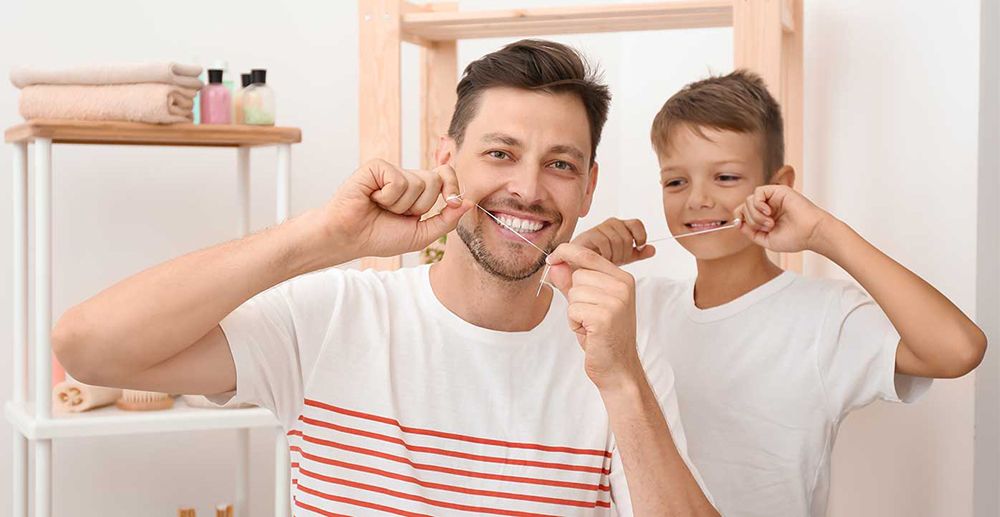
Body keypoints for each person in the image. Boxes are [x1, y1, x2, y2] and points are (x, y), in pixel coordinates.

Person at [52, 40, 716, 516]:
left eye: (561, 164)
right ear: (446, 158)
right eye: (500, 153)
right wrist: (324, 237)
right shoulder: (332, 317)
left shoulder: (620, 356)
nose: (527, 188)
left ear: (589, 186)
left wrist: (621, 380)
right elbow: (88, 347)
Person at [573, 69, 987, 516]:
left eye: (725, 177)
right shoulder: (638, 304)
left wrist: (823, 233)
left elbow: (957, 350)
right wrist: (581, 263)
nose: (697, 199)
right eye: (676, 181)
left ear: (780, 185)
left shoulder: (823, 317)